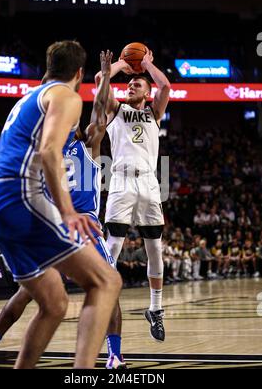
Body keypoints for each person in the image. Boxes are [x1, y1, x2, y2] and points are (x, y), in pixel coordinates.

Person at [0, 50, 125, 371]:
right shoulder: (52, 134)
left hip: (73, 220)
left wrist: (106, 76)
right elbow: (52, 101)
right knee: (94, 284)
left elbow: (98, 110)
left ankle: (114, 354)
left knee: (56, 298)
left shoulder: (90, 142)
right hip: (55, 218)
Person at [95, 48, 171, 342]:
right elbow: (102, 80)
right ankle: (103, 303)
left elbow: (165, 86)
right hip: (122, 182)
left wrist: (148, 64)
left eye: (137, 84)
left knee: (155, 250)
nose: (131, 85)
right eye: (129, 83)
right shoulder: (116, 110)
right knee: (112, 247)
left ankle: (156, 309)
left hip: (150, 184)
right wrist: (119, 65)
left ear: (147, 92)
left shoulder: (154, 112)